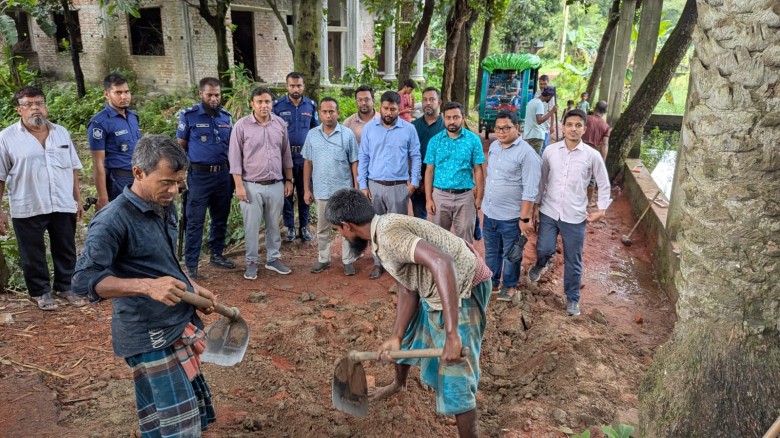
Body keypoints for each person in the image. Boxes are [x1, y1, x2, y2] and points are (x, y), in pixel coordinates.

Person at [72, 135, 217, 437]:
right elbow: (83, 280)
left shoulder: (164, 205)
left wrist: (191, 285)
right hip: (147, 334)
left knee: (168, 422)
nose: (174, 191)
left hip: (175, 323)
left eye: (178, 183)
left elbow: (163, 260)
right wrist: (148, 287)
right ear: (138, 172)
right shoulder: (112, 221)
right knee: (178, 430)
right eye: (166, 182)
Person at [325, 188, 492, 438]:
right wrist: (396, 336)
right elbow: (407, 287)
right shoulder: (380, 234)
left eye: (337, 231)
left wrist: (452, 335)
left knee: (456, 373)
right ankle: (399, 384)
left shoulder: (389, 235)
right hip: (433, 286)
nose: (341, 236)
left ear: (346, 226)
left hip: (464, 287)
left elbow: (442, 262)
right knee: (407, 333)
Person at [0, 86, 86, 311]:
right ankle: (40, 292)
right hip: (28, 203)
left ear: (45, 106)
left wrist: (77, 199)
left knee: (66, 247)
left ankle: (65, 287)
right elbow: (0, 177)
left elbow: (73, 168)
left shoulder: (61, 133)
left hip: (62, 202)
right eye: (28, 105)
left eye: (39, 103)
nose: (35, 108)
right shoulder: (6, 138)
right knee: (32, 252)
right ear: (19, 110)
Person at [529, 109, 611, 316]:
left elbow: (603, 182)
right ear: (563, 127)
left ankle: (573, 299)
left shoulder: (592, 156)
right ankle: (540, 265)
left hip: (575, 216)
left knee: (573, 259)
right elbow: (542, 179)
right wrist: (535, 205)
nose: (573, 129)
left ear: (585, 129)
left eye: (578, 125)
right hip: (549, 211)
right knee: (544, 248)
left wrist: (601, 209)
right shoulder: (550, 151)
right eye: (570, 125)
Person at [230, 87, 294, 280]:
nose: (263, 105)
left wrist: (289, 179)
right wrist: (239, 186)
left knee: (274, 224)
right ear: (252, 103)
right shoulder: (241, 126)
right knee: (251, 226)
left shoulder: (279, 124)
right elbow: (235, 158)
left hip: (276, 183)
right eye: (259, 102)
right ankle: (251, 262)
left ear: (271, 104)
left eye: (267, 101)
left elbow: (286, 154)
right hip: (251, 186)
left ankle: (273, 259)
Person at [358, 91, 422, 280]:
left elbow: (415, 156)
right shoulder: (370, 129)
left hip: (398, 187)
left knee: (397, 228)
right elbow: (363, 156)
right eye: (385, 108)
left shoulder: (409, 129)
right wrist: (363, 185)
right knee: (375, 227)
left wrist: (414, 183)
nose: (389, 112)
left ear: (399, 109)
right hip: (374, 186)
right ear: (380, 107)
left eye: (393, 109)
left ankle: (398, 265)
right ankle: (378, 263)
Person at [176, 77, 235, 279]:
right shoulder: (189, 116)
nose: (213, 99)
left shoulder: (226, 117)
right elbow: (180, 147)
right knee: (195, 220)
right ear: (201, 94)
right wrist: (179, 176)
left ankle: (216, 255)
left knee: (220, 218)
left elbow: (233, 148)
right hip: (199, 176)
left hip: (223, 175)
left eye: (217, 95)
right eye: (209, 95)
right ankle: (191, 264)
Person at [481, 110, 541, 302]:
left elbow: (530, 189)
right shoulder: (494, 147)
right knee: (492, 252)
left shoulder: (527, 154)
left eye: (506, 128)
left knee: (511, 255)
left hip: (512, 217)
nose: (501, 132)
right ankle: (492, 283)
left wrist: (524, 218)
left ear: (517, 128)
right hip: (490, 213)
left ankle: (509, 286)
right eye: (498, 128)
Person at [302, 97, 360, 276]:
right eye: (325, 112)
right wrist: (306, 189)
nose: (328, 115)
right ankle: (324, 259)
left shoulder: (347, 134)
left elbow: (354, 162)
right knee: (323, 228)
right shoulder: (312, 135)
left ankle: (348, 260)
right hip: (321, 190)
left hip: (343, 191)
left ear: (338, 113)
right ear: (319, 113)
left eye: (331, 112)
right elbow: (308, 163)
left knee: (347, 227)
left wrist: (356, 188)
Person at [424, 101, 484, 244]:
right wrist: (429, 199)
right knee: (438, 240)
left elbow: (478, 170)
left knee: (465, 241)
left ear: (463, 117)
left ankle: (465, 260)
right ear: (443, 118)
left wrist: (479, 198)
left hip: (465, 197)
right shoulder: (435, 141)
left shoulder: (473, 140)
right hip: (440, 196)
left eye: (456, 117)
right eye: (448, 117)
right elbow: (429, 171)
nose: (452, 121)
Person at [273, 72, 319, 243]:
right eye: (292, 85)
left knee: (305, 191)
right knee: (287, 193)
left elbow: (316, 131)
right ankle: (290, 227)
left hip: (305, 157)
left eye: (299, 85)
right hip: (284, 156)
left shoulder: (310, 106)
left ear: (303, 86)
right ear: (287, 86)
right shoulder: (278, 106)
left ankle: (304, 226)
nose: (295, 89)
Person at [88, 73, 142, 210]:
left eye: (126, 92)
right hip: (118, 181)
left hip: (139, 178)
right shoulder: (99, 123)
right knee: (121, 219)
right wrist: (103, 197)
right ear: (107, 94)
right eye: (118, 92)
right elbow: (98, 163)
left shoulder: (133, 117)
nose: (124, 96)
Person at [411, 87, 444, 220]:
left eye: (432, 99)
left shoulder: (447, 126)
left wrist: (434, 183)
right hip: (418, 183)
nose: (428, 103)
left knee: (441, 221)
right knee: (419, 221)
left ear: (439, 102)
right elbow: (408, 155)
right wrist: (417, 180)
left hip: (441, 183)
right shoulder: (413, 126)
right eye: (425, 100)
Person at [581, 101, 611, 207]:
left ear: (594, 108)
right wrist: (602, 160)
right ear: (605, 111)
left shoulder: (586, 118)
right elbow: (605, 144)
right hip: (592, 153)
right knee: (591, 178)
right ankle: (589, 201)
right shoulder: (605, 126)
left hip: (579, 149)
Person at [524, 86, 558, 154]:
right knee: (536, 158)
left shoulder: (532, 101)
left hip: (529, 135)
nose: (550, 99)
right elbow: (539, 121)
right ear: (548, 96)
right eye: (551, 97)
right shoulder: (539, 104)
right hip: (536, 136)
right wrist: (552, 111)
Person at [533, 74, 556, 149]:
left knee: (544, 146)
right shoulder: (537, 93)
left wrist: (552, 126)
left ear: (548, 83)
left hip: (546, 125)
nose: (542, 86)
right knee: (537, 145)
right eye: (541, 84)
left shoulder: (551, 95)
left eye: (545, 84)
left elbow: (552, 112)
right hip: (537, 124)